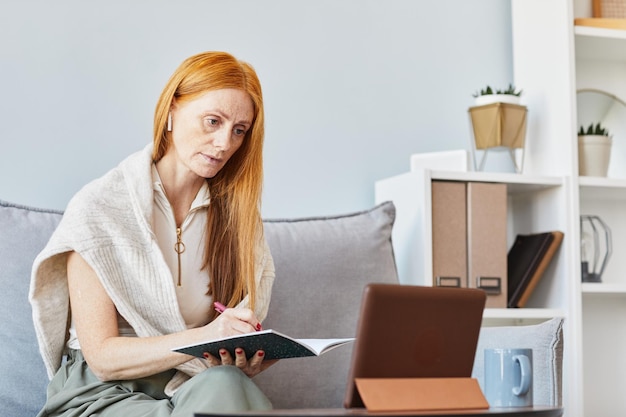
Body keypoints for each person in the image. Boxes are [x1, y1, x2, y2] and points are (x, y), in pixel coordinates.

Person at [29, 51, 276, 417]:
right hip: (103, 393)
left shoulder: (239, 221)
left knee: (229, 383)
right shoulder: (99, 209)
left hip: (194, 387)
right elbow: (102, 358)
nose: (225, 143)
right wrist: (206, 336)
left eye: (239, 130)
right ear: (172, 111)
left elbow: (224, 347)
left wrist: (238, 355)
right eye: (212, 121)